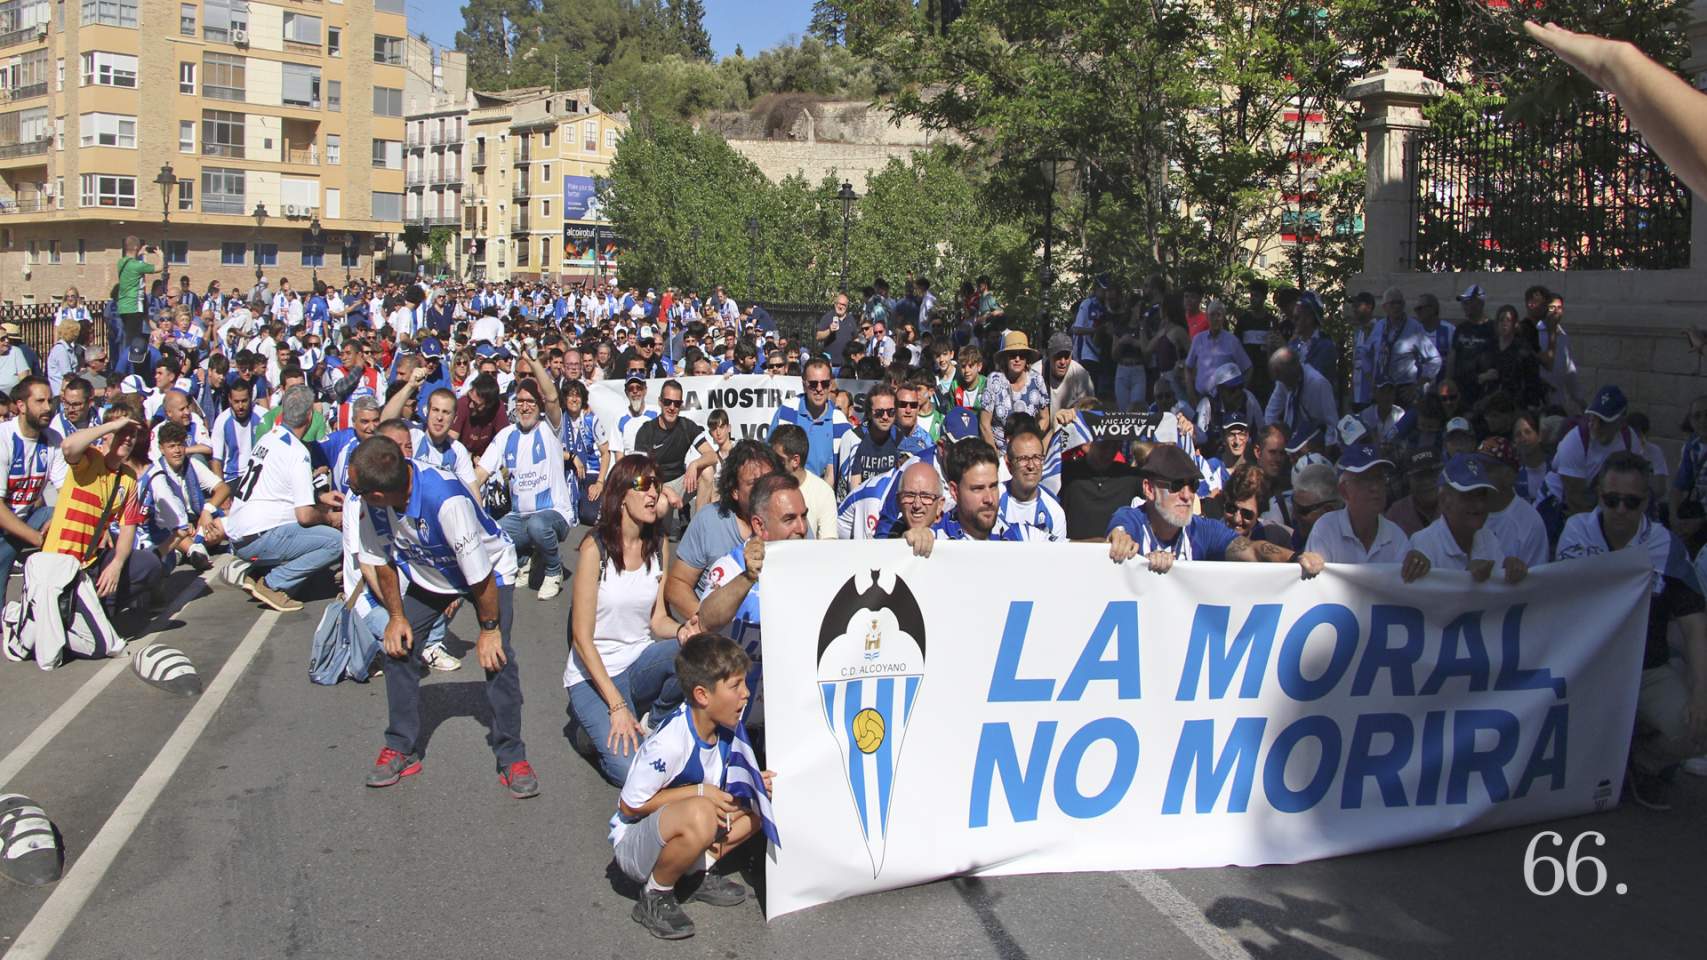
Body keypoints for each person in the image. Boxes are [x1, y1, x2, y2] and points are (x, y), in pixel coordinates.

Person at [346, 437, 537, 799]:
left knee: (497, 658)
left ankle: (512, 756)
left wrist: (489, 631)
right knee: (397, 649)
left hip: (488, 573)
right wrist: (397, 617)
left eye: (356, 488)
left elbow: (479, 576)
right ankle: (402, 746)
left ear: (378, 494)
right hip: (430, 572)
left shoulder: (445, 501)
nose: (351, 493)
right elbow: (381, 558)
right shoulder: (372, 505)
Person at [1554, 451, 1707, 809]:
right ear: (1599, 496)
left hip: (1646, 669)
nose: (1620, 510)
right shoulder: (1576, 531)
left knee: (1698, 729)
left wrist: (1701, 694)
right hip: (1586, 668)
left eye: (1631, 502)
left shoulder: (1666, 545)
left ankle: (1642, 763)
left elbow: (1695, 626)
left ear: (1646, 503)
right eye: (1611, 500)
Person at [611, 633, 772, 940]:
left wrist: (753, 786)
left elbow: (725, 792)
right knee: (700, 811)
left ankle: (695, 871)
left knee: (765, 802)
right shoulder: (670, 742)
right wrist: (700, 792)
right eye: (735, 686)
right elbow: (629, 806)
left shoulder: (726, 727)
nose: (746, 694)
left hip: (684, 823)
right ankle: (655, 894)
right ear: (702, 695)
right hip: (634, 845)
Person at [567, 455, 700, 786]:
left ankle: (652, 721)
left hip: (637, 663)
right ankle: (589, 736)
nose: (652, 492)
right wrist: (616, 707)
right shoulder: (594, 549)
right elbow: (581, 639)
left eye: (656, 484)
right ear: (621, 494)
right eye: (642, 485)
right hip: (592, 676)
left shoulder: (657, 546)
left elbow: (657, 621)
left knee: (691, 650)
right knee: (632, 771)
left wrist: (684, 631)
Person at [7, 413, 146, 668]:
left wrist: (116, 565)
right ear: (108, 434)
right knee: (76, 651)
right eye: (122, 433)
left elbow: (129, 528)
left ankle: (63, 617)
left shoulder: (128, 478)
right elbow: (68, 446)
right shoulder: (90, 458)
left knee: (148, 565)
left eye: (132, 435)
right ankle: (22, 617)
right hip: (57, 561)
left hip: (85, 567)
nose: (127, 438)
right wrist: (113, 425)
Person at [1107, 444, 1326, 575]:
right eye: (1176, 486)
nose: (1186, 495)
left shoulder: (1202, 529)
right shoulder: (1131, 518)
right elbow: (1119, 535)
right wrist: (1132, 552)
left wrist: (1296, 558)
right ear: (1149, 489)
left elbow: (1252, 550)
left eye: (1192, 485)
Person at [224, 385, 344, 613]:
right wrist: (330, 517)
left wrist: (320, 497)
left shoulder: (268, 438)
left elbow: (278, 490)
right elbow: (305, 515)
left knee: (305, 532)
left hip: (240, 532)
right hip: (259, 536)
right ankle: (273, 583)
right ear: (310, 415)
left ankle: (258, 573)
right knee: (333, 541)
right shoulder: (297, 452)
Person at [664, 440, 785, 619]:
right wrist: (706, 624)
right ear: (735, 490)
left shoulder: (792, 518)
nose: (764, 490)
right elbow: (677, 585)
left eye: (769, 481)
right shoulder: (708, 521)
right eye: (754, 483)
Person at [476, 377, 573, 601]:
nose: (525, 407)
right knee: (489, 535)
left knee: (538, 526)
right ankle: (525, 558)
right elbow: (480, 475)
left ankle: (553, 570)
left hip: (554, 513)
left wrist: (534, 361)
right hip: (520, 515)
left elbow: (552, 396)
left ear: (539, 405)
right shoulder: (506, 435)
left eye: (531, 401)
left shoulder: (550, 429)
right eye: (520, 401)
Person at [1305, 443, 1431, 579]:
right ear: (1344, 491)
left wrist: (1417, 567)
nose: (1375, 487)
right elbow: (1314, 587)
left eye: (1379, 478)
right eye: (1365, 479)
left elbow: (1406, 593)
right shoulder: (1326, 528)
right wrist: (1310, 563)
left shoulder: (1396, 536)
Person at [1407, 454, 1529, 584]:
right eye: (1468, 496)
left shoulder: (1487, 537)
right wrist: (1465, 578)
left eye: (1482, 495)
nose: (1479, 505)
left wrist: (1509, 569)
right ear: (1444, 501)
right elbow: (1424, 601)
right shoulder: (1423, 543)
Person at [146, 420, 232, 572]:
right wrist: (182, 524)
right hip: (172, 527)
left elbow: (222, 488)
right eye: (171, 446)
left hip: (197, 524)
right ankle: (193, 551)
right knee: (170, 531)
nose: (177, 450)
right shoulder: (156, 472)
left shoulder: (192, 464)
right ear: (161, 448)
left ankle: (185, 551)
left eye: (180, 445)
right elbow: (160, 513)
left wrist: (207, 511)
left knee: (229, 519)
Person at [0, 377, 59, 590]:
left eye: (50, 401)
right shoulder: (4, 438)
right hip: (6, 524)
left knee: (61, 514)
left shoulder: (53, 439)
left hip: (23, 520)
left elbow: (68, 491)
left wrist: (59, 519)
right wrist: (36, 538)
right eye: (40, 401)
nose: (48, 407)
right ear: (21, 406)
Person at [1554, 385, 1641, 516]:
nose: (1595, 425)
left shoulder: (1630, 440)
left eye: (1604, 421)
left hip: (1600, 504)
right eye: (1593, 417)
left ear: (1621, 422)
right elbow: (1574, 499)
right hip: (1560, 503)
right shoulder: (1575, 441)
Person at [769, 357, 849, 486]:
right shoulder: (786, 412)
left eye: (824, 383)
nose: (819, 389)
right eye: (813, 384)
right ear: (804, 385)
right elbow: (770, 455)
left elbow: (834, 474)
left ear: (831, 385)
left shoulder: (841, 424)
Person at [1477, 437, 1552, 569]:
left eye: (1487, 467)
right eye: (1476, 465)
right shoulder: (1465, 510)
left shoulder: (1530, 522)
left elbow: (1536, 580)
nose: (1478, 473)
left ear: (1508, 476)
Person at [631, 380, 695, 527]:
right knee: (662, 506)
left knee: (708, 472)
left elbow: (710, 455)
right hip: (652, 487)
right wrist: (666, 490)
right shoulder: (646, 431)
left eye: (676, 403)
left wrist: (695, 464)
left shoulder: (686, 425)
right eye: (667, 402)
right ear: (660, 402)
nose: (672, 407)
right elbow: (638, 479)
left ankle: (699, 531)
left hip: (677, 483)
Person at [981, 331, 1050, 453]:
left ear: (1027, 358)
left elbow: (1045, 418)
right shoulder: (994, 380)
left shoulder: (1037, 380)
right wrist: (996, 457)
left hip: (1027, 452)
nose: (1017, 359)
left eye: (1022, 355)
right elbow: (984, 423)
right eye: (1013, 355)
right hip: (1000, 452)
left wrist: (1032, 441)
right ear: (1005, 358)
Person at [998, 420, 1065, 541]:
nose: (1031, 465)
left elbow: (1056, 558)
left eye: (1037, 457)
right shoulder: (993, 499)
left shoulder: (1055, 513)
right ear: (1009, 466)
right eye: (1023, 458)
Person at [771, 423, 838, 540]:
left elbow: (829, 544)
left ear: (795, 461)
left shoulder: (823, 493)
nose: (772, 462)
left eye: (778, 459)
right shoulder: (767, 487)